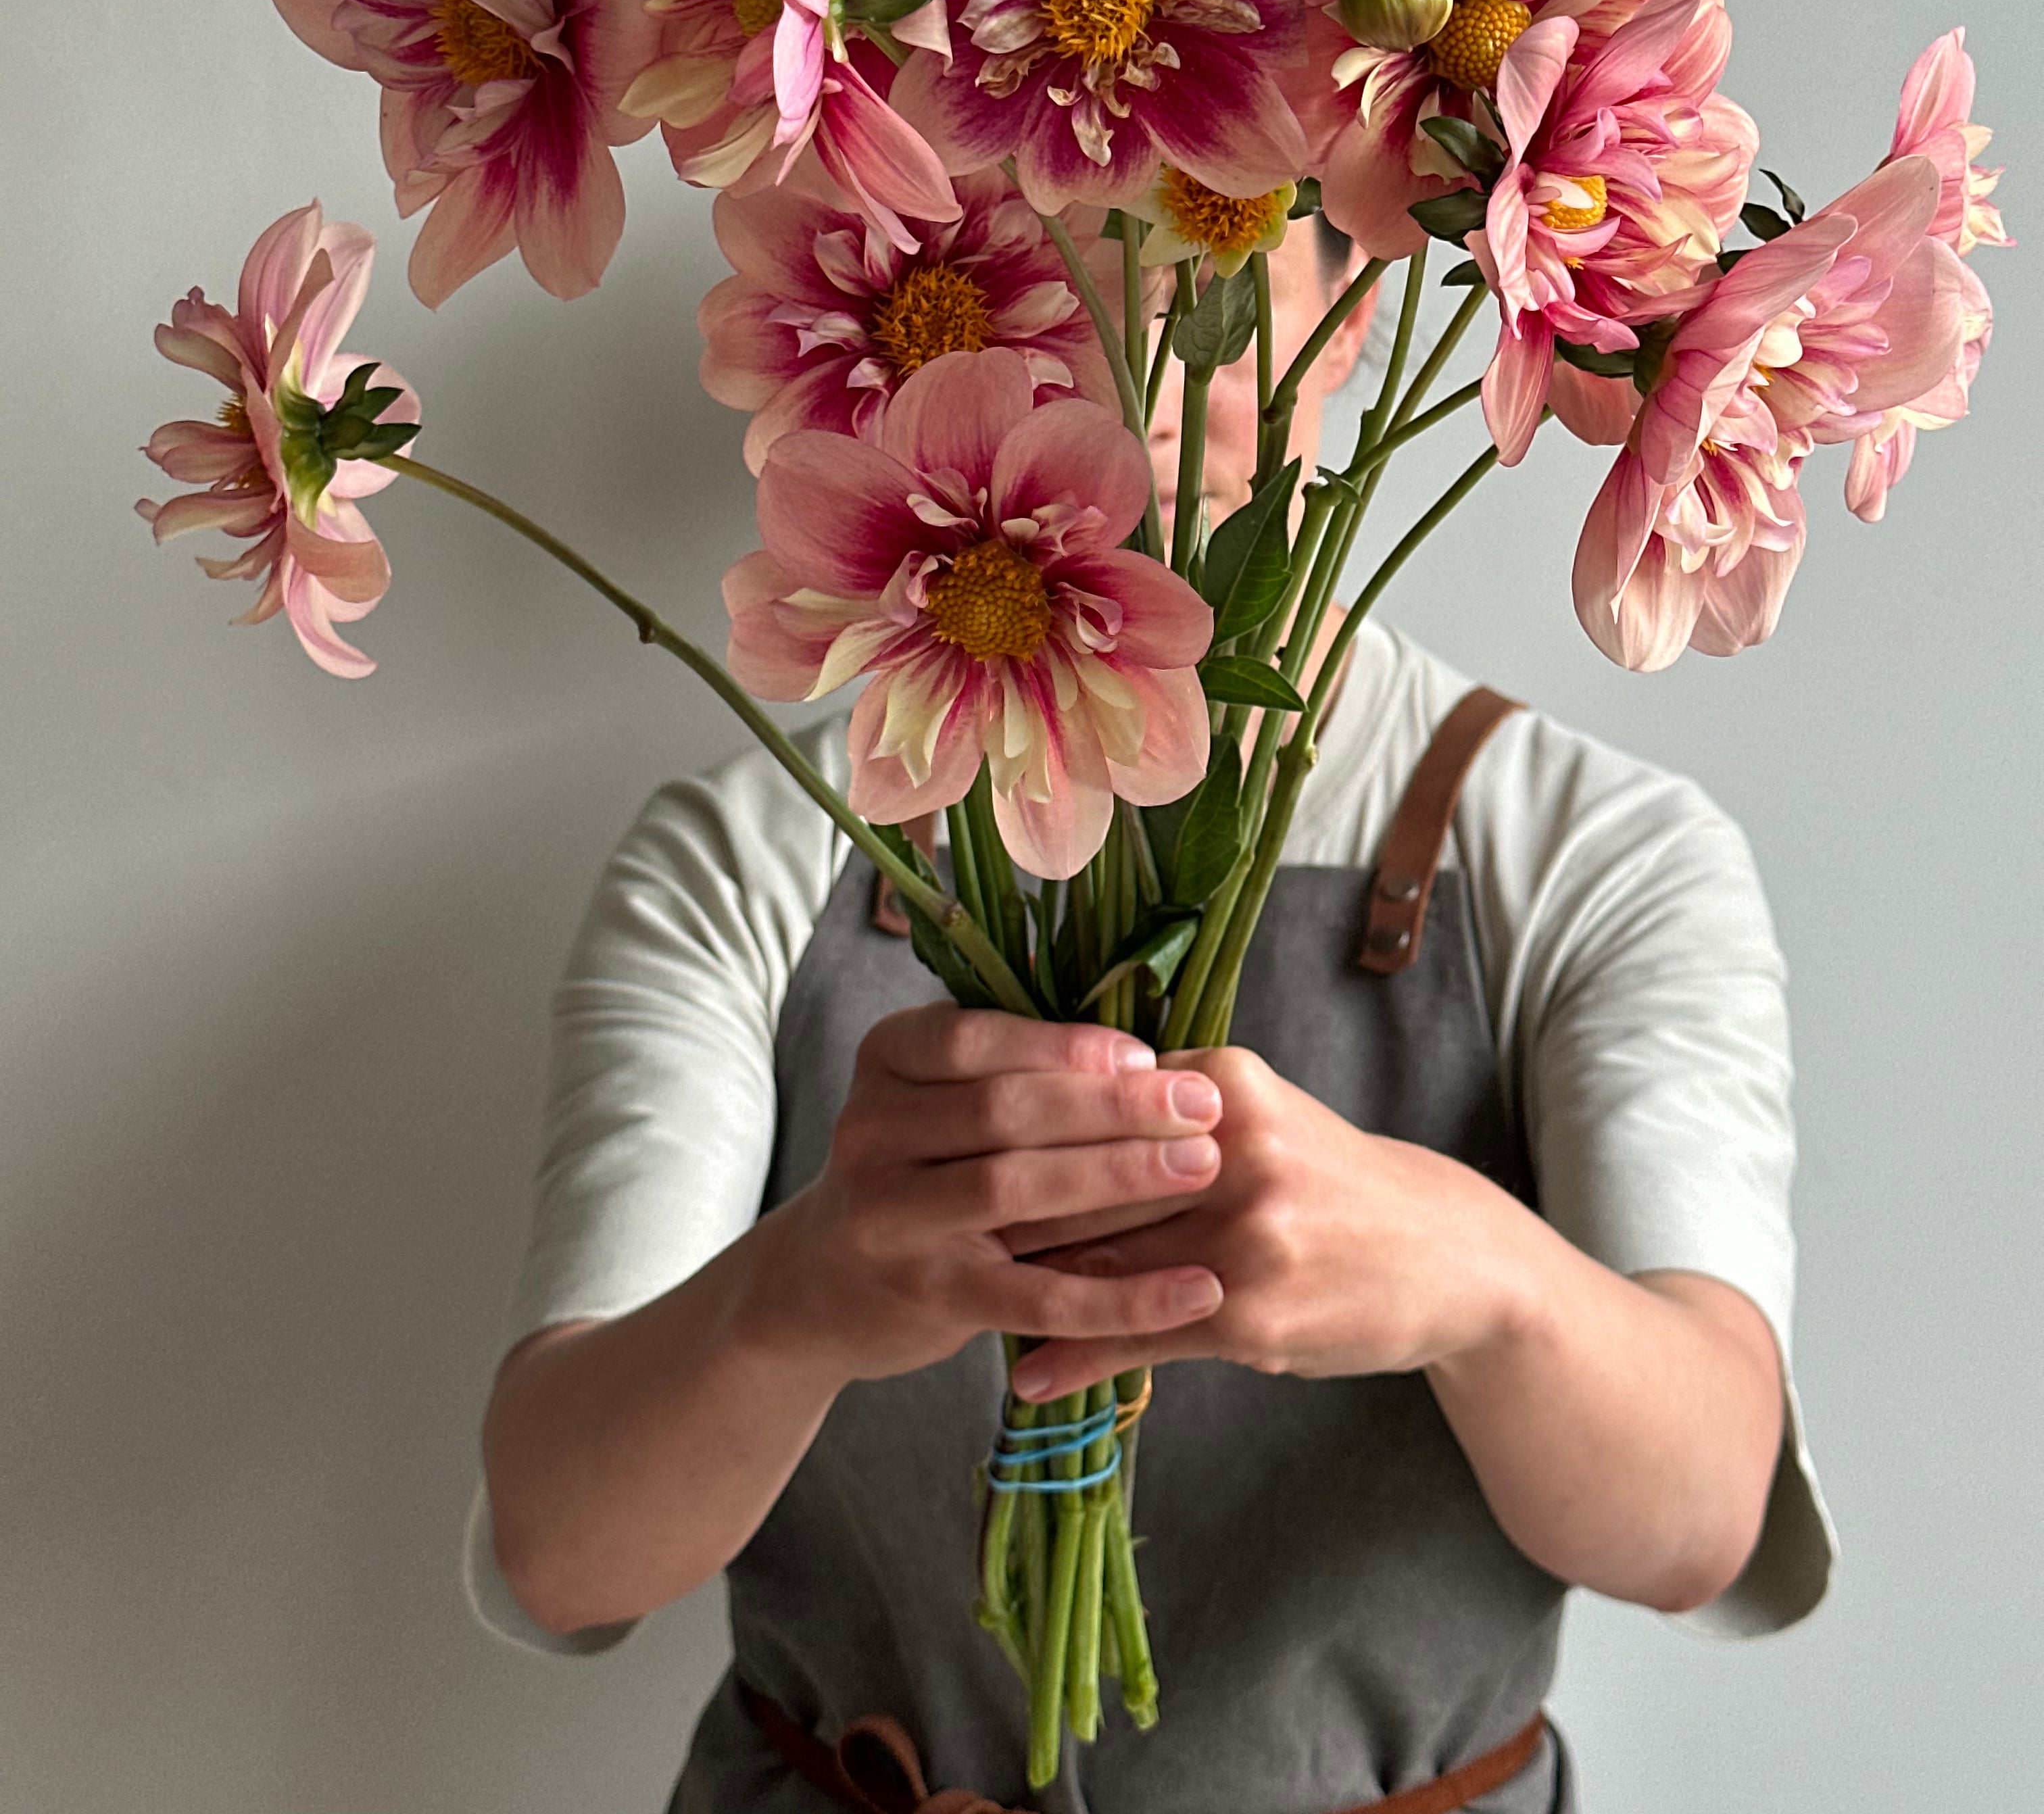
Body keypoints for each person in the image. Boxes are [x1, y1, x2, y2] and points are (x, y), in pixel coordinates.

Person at [465, 216, 1834, 1814]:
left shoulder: (1594, 852)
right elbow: (562, 1548)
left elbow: (1698, 1522)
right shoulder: (758, 847)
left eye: (1213, 213)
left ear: (1368, 283)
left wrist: (1482, 1281)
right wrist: (801, 1298)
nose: (1128, 320)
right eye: (1042, 238)